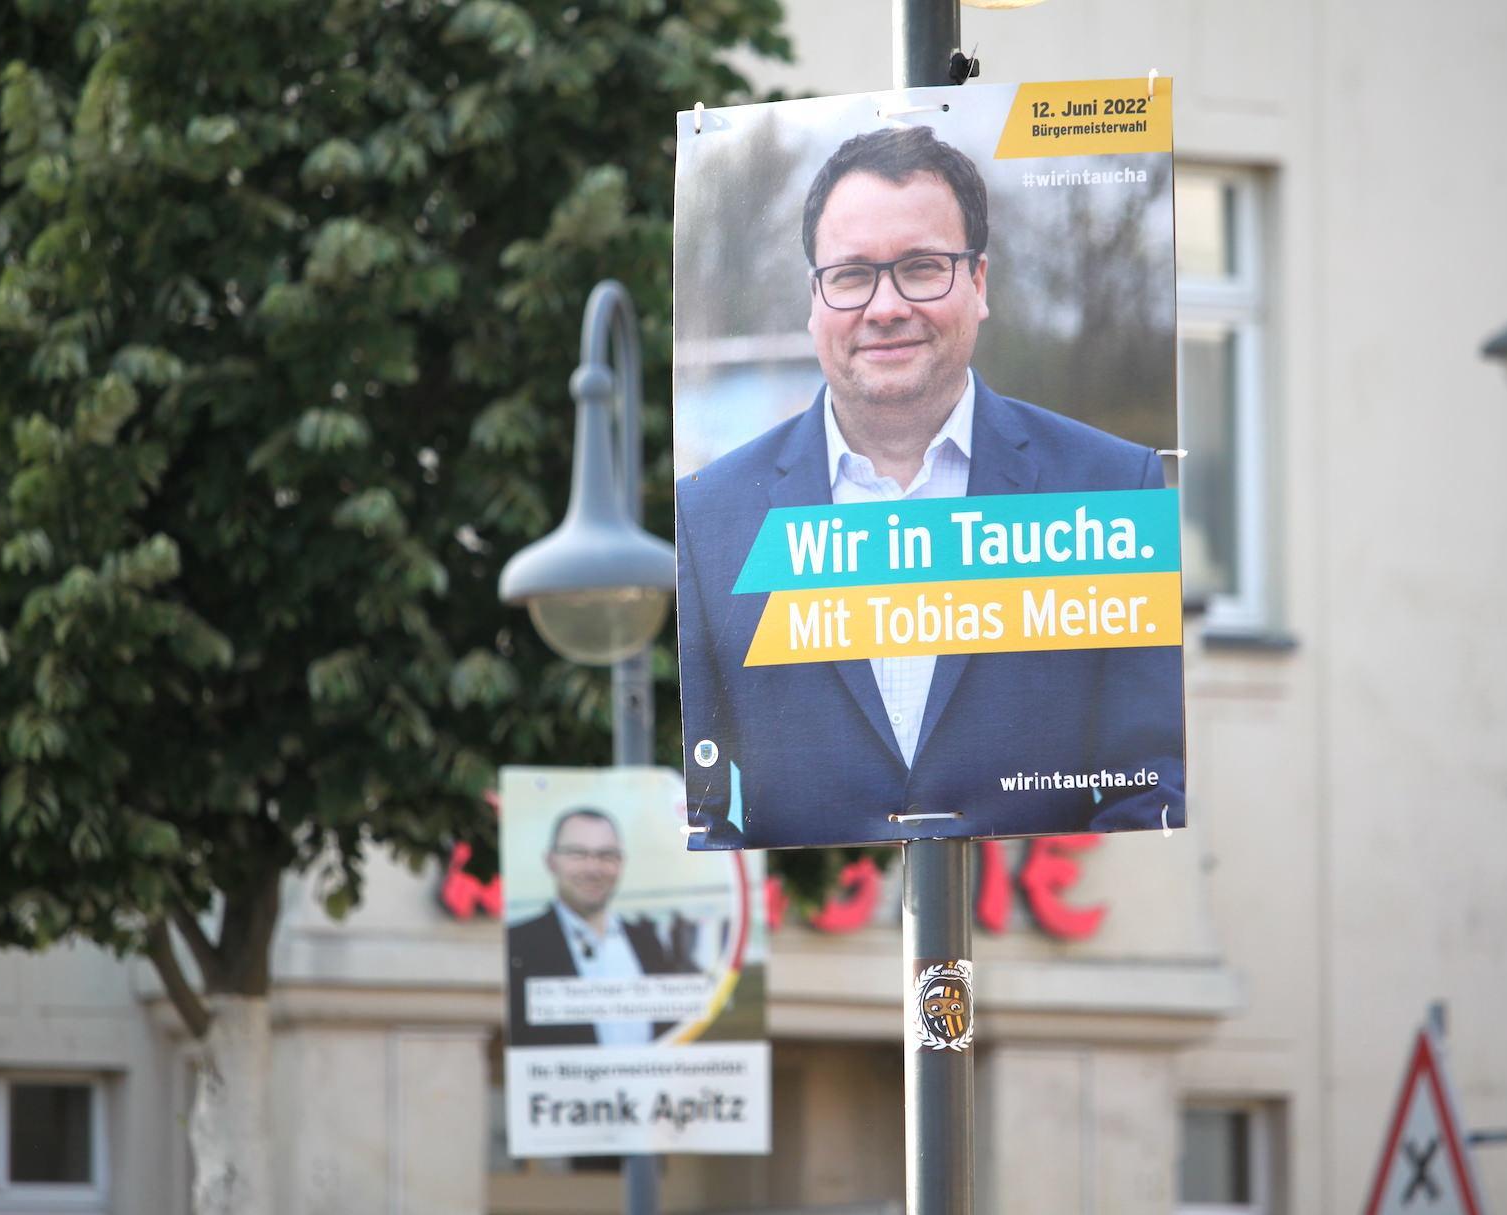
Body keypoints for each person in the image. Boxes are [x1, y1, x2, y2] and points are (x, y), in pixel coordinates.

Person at [676, 124, 1185, 849]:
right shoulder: (710, 517)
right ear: (814, 299)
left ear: (979, 283)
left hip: (1030, 915)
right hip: (820, 921)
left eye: (921, 267)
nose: (885, 307)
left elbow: (1150, 781)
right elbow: (707, 812)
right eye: (852, 275)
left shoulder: (1112, 490)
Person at [506, 808, 694, 1048]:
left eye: (606, 855)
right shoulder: (518, 945)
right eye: (577, 854)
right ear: (551, 861)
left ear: (621, 863)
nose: (593, 869)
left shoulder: (648, 942)